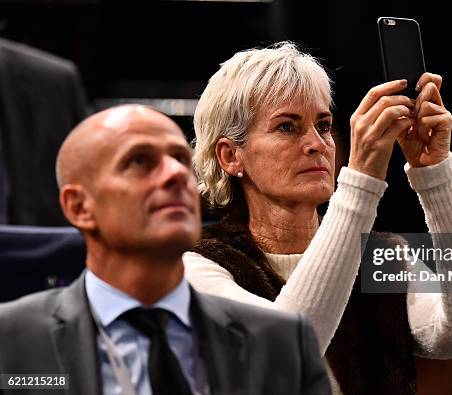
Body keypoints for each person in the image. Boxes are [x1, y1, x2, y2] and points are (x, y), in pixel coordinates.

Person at [184, 41, 452, 394]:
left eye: (323, 125)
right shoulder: (197, 268)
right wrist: (361, 181)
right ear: (230, 156)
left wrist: (435, 174)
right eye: (287, 127)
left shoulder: (382, 257)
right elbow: (285, 353)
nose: (317, 143)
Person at [0, 105, 331, 395]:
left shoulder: (280, 339)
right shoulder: (13, 339)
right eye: (140, 161)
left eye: (179, 160)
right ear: (79, 206)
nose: (175, 174)